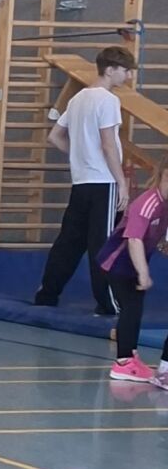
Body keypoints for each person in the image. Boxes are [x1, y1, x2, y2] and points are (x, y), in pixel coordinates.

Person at [33, 48, 132, 315]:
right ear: (110, 70)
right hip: (103, 181)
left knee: (69, 242)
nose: (128, 76)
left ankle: (47, 293)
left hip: (81, 182)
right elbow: (108, 144)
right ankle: (108, 303)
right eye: (125, 70)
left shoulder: (77, 99)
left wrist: (80, 155)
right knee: (103, 244)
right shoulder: (107, 100)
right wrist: (121, 182)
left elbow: (54, 137)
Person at [99, 157, 168, 385]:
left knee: (135, 307)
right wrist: (143, 272)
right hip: (117, 262)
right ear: (161, 176)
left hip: (134, 262)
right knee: (130, 307)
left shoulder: (165, 204)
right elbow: (134, 239)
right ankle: (123, 362)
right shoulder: (148, 203)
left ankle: (130, 355)